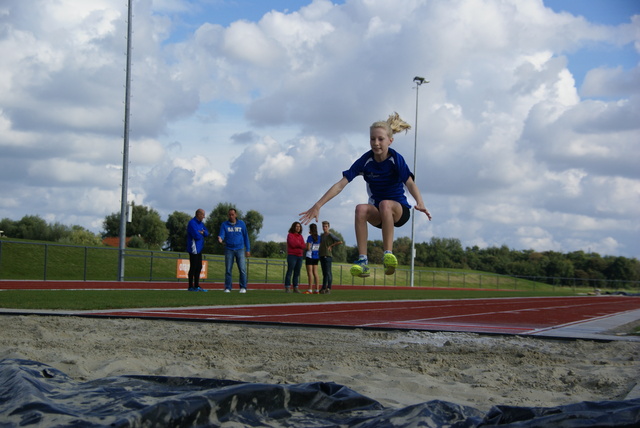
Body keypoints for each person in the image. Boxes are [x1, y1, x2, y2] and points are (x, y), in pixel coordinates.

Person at [300, 112, 432, 278]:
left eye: (380, 139)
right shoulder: (366, 160)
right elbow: (341, 185)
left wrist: (420, 202)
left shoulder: (395, 159)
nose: (376, 143)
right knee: (361, 209)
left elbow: (410, 183)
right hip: (379, 213)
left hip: (399, 211)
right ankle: (363, 261)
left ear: (390, 141)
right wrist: (318, 205)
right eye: (372, 139)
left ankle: (388, 255)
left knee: (385, 203)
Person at [218, 208, 250, 293]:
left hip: (240, 249)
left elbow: (246, 236)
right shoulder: (224, 224)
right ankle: (228, 287)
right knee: (228, 269)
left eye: (233, 214)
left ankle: (243, 287)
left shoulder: (242, 224)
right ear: (228, 215)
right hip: (229, 249)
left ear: (236, 215)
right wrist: (220, 238)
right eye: (229, 215)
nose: (231, 216)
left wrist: (248, 249)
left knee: (242, 269)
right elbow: (222, 234)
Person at [186, 208, 209, 292]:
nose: (204, 216)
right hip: (194, 247)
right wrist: (201, 234)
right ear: (198, 214)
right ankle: (190, 286)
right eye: (203, 215)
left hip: (199, 248)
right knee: (193, 267)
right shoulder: (192, 223)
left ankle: (197, 285)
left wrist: (202, 233)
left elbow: (207, 233)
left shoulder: (201, 224)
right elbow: (196, 236)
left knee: (199, 267)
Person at [318, 221, 342, 294]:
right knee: (324, 273)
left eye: (326, 226)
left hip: (328, 255)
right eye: (323, 226)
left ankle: (329, 288)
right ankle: (323, 288)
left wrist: (331, 246)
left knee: (328, 273)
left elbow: (340, 241)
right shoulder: (322, 235)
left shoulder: (330, 235)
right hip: (321, 255)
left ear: (328, 227)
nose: (324, 228)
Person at [284, 221, 306, 293]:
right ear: (293, 227)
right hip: (292, 255)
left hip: (300, 256)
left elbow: (304, 246)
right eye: (297, 226)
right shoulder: (290, 235)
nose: (298, 228)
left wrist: (298, 245)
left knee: (297, 272)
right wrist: (299, 245)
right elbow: (292, 244)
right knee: (290, 271)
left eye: (299, 226)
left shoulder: (301, 236)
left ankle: (295, 287)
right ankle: (287, 287)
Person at [304, 223, 321, 294]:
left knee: (310, 273)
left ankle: (310, 289)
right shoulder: (319, 237)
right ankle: (317, 290)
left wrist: (304, 247)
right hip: (316, 256)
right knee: (315, 273)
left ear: (310, 230)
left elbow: (308, 248)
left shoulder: (309, 237)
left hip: (309, 256)